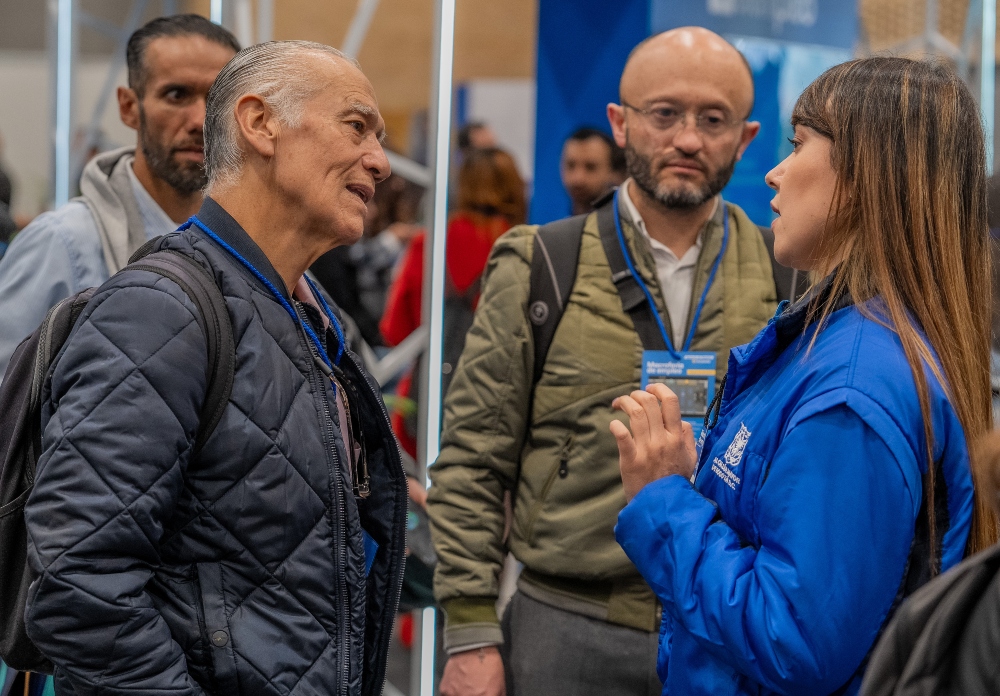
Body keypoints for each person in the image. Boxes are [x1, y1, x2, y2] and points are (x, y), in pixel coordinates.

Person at [22, 40, 407, 695]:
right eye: (356, 126)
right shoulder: (158, 310)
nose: (379, 159)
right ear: (260, 124)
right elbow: (78, 583)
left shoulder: (307, 316)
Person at [611, 56, 998, 696]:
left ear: (865, 174)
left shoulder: (853, 385)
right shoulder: (840, 342)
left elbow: (793, 638)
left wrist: (663, 498)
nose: (775, 172)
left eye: (798, 145)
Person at [428, 28, 784, 696]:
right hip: (565, 628)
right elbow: (474, 457)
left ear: (744, 137)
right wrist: (471, 631)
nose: (686, 139)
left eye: (713, 120)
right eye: (664, 114)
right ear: (620, 124)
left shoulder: (783, 273)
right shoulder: (541, 264)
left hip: (724, 630)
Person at [0, 15, 239, 376]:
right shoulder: (63, 244)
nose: (200, 119)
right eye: (177, 95)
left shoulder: (247, 248)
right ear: (129, 107)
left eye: (219, 98)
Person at [380, 146, 526, 458]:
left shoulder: (430, 242)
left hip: (427, 409)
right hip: (503, 412)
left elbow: (395, 331)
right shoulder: (528, 249)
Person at [561, 127, 626, 215]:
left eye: (590, 167)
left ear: (613, 173)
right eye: (571, 165)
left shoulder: (625, 226)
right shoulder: (548, 225)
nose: (578, 178)